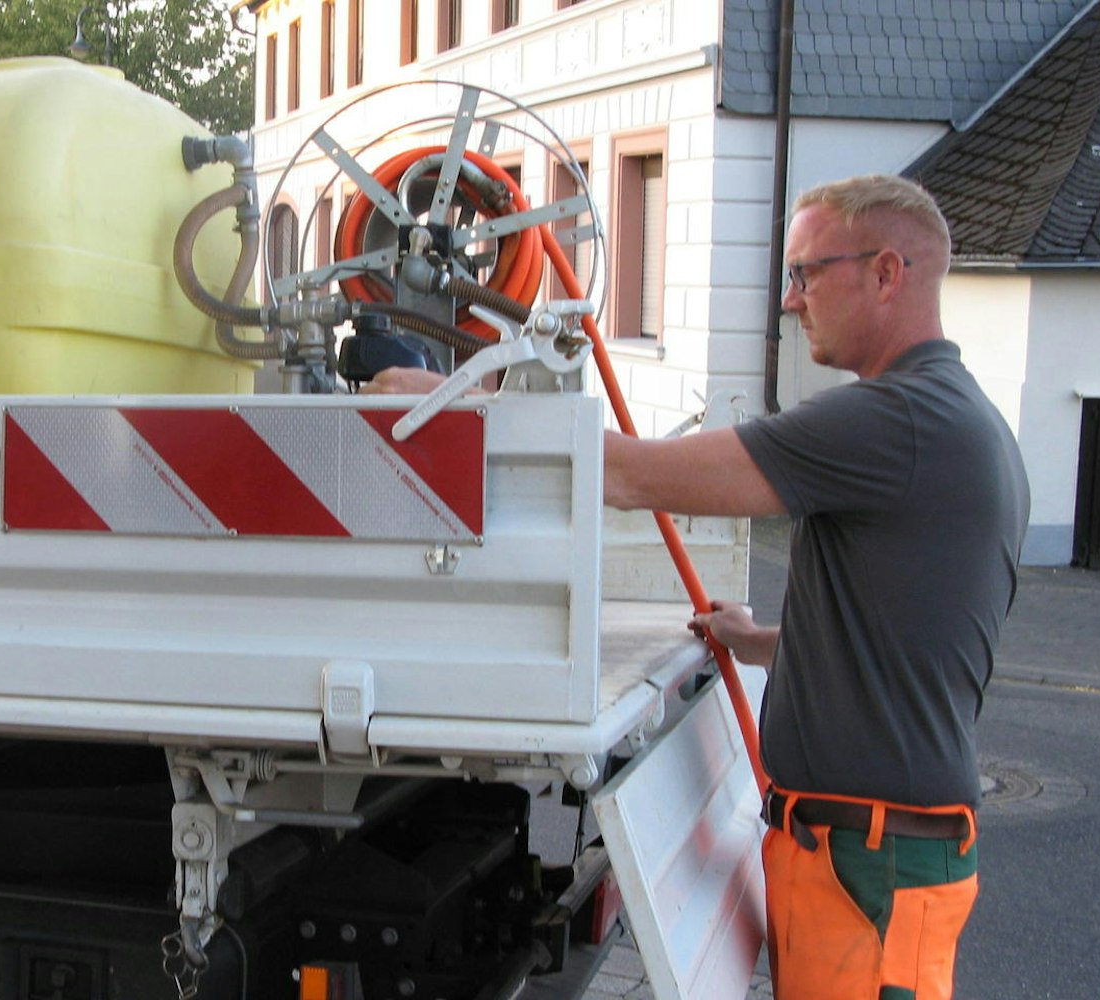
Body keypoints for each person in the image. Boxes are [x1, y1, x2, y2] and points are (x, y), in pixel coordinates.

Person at [367, 174, 1028, 1000]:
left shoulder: (894, 422)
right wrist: (762, 642)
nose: (790, 300)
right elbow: (909, 636)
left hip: (867, 865)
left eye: (806, 272)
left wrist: (456, 403)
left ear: (886, 272)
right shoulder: (958, 418)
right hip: (873, 854)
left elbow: (636, 477)